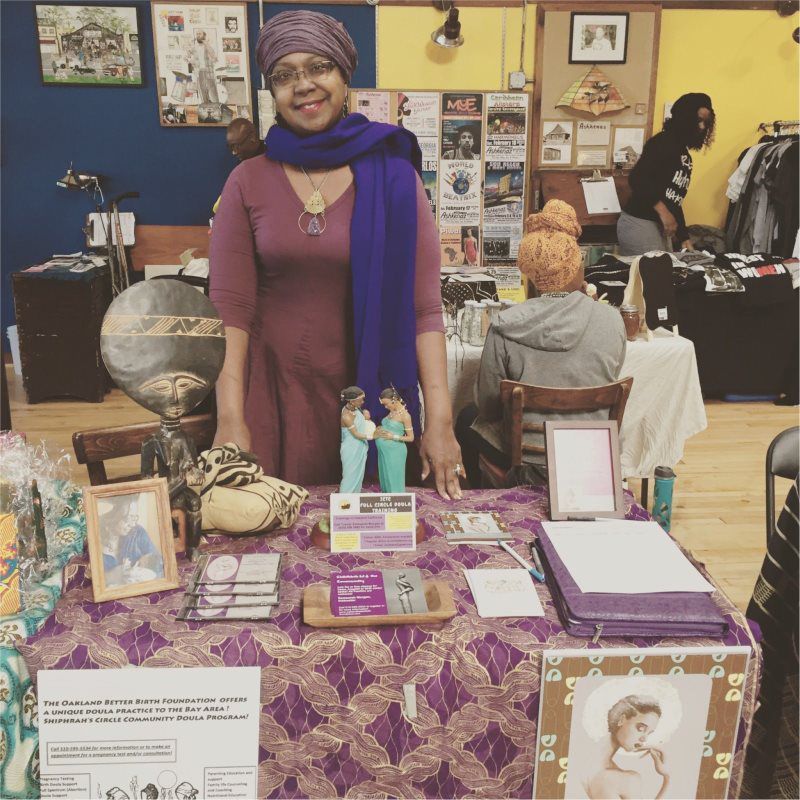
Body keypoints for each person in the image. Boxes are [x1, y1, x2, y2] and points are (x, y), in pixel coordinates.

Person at [210, 10, 463, 498]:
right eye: (284, 75)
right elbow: (229, 311)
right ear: (272, 91)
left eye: (319, 67)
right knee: (280, 533)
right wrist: (230, 418)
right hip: (274, 399)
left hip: (372, 398)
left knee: (369, 536)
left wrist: (440, 421)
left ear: (344, 75)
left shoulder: (396, 178)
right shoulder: (247, 181)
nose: (303, 85)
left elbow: (424, 309)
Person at [455, 200, 626, 486]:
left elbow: (488, 405)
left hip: (527, 458)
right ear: (575, 267)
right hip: (591, 452)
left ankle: (487, 501)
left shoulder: (505, 325)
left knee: (467, 418)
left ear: (532, 273)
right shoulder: (612, 319)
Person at [617, 93, 715, 255]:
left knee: (665, 269)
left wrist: (683, 236)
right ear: (684, 118)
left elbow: (673, 198)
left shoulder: (682, 152)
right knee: (652, 271)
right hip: (641, 223)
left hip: (658, 227)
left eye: (706, 122)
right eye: (698, 120)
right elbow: (637, 178)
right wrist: (664, 212)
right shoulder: (663, 142)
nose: (702, 127)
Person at [586, 695, 669, 800]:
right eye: (641, 728)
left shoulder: (585, 762)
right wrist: (668, 778)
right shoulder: (627, 779)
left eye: (649, 733)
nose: (644, 739)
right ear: (621, 720)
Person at [375, 387, 414, 492]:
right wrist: (380, 429)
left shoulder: (405, 416)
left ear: (394, 400)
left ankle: (396, 498)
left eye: (386, 404)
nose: (385, 407)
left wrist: (393, 437)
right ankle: (387, 497)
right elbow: (389, 426)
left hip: (395, 451)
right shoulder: (392, 412)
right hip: (384, 451)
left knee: (393, 477)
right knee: (385, 476)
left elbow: (411, 438)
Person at [339, 386, 371, 493]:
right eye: (361, 399)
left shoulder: (356, 409)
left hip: (360, 446)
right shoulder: (346, 416)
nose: (363, 402)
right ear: (352, 401)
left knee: (358, 475)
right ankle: (344, 500)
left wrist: (365, 415)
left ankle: (354, 498)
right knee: (350, 476)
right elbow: (356, 434)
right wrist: (373, 436)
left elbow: (360, 421)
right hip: (351, 448)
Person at [188, 30, 218, 105]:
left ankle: (216, 107)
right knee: (203, 93)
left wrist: (206, 44)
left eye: (200, 34)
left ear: (204, 35)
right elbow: (187, 56)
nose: (198, 35)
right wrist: (191, 61)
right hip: (199, 72)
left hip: (208, 71)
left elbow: (214, 56)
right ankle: (206, 108)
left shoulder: (208, 45)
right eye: (197, 34)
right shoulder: (194, 47)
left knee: (213, 93)